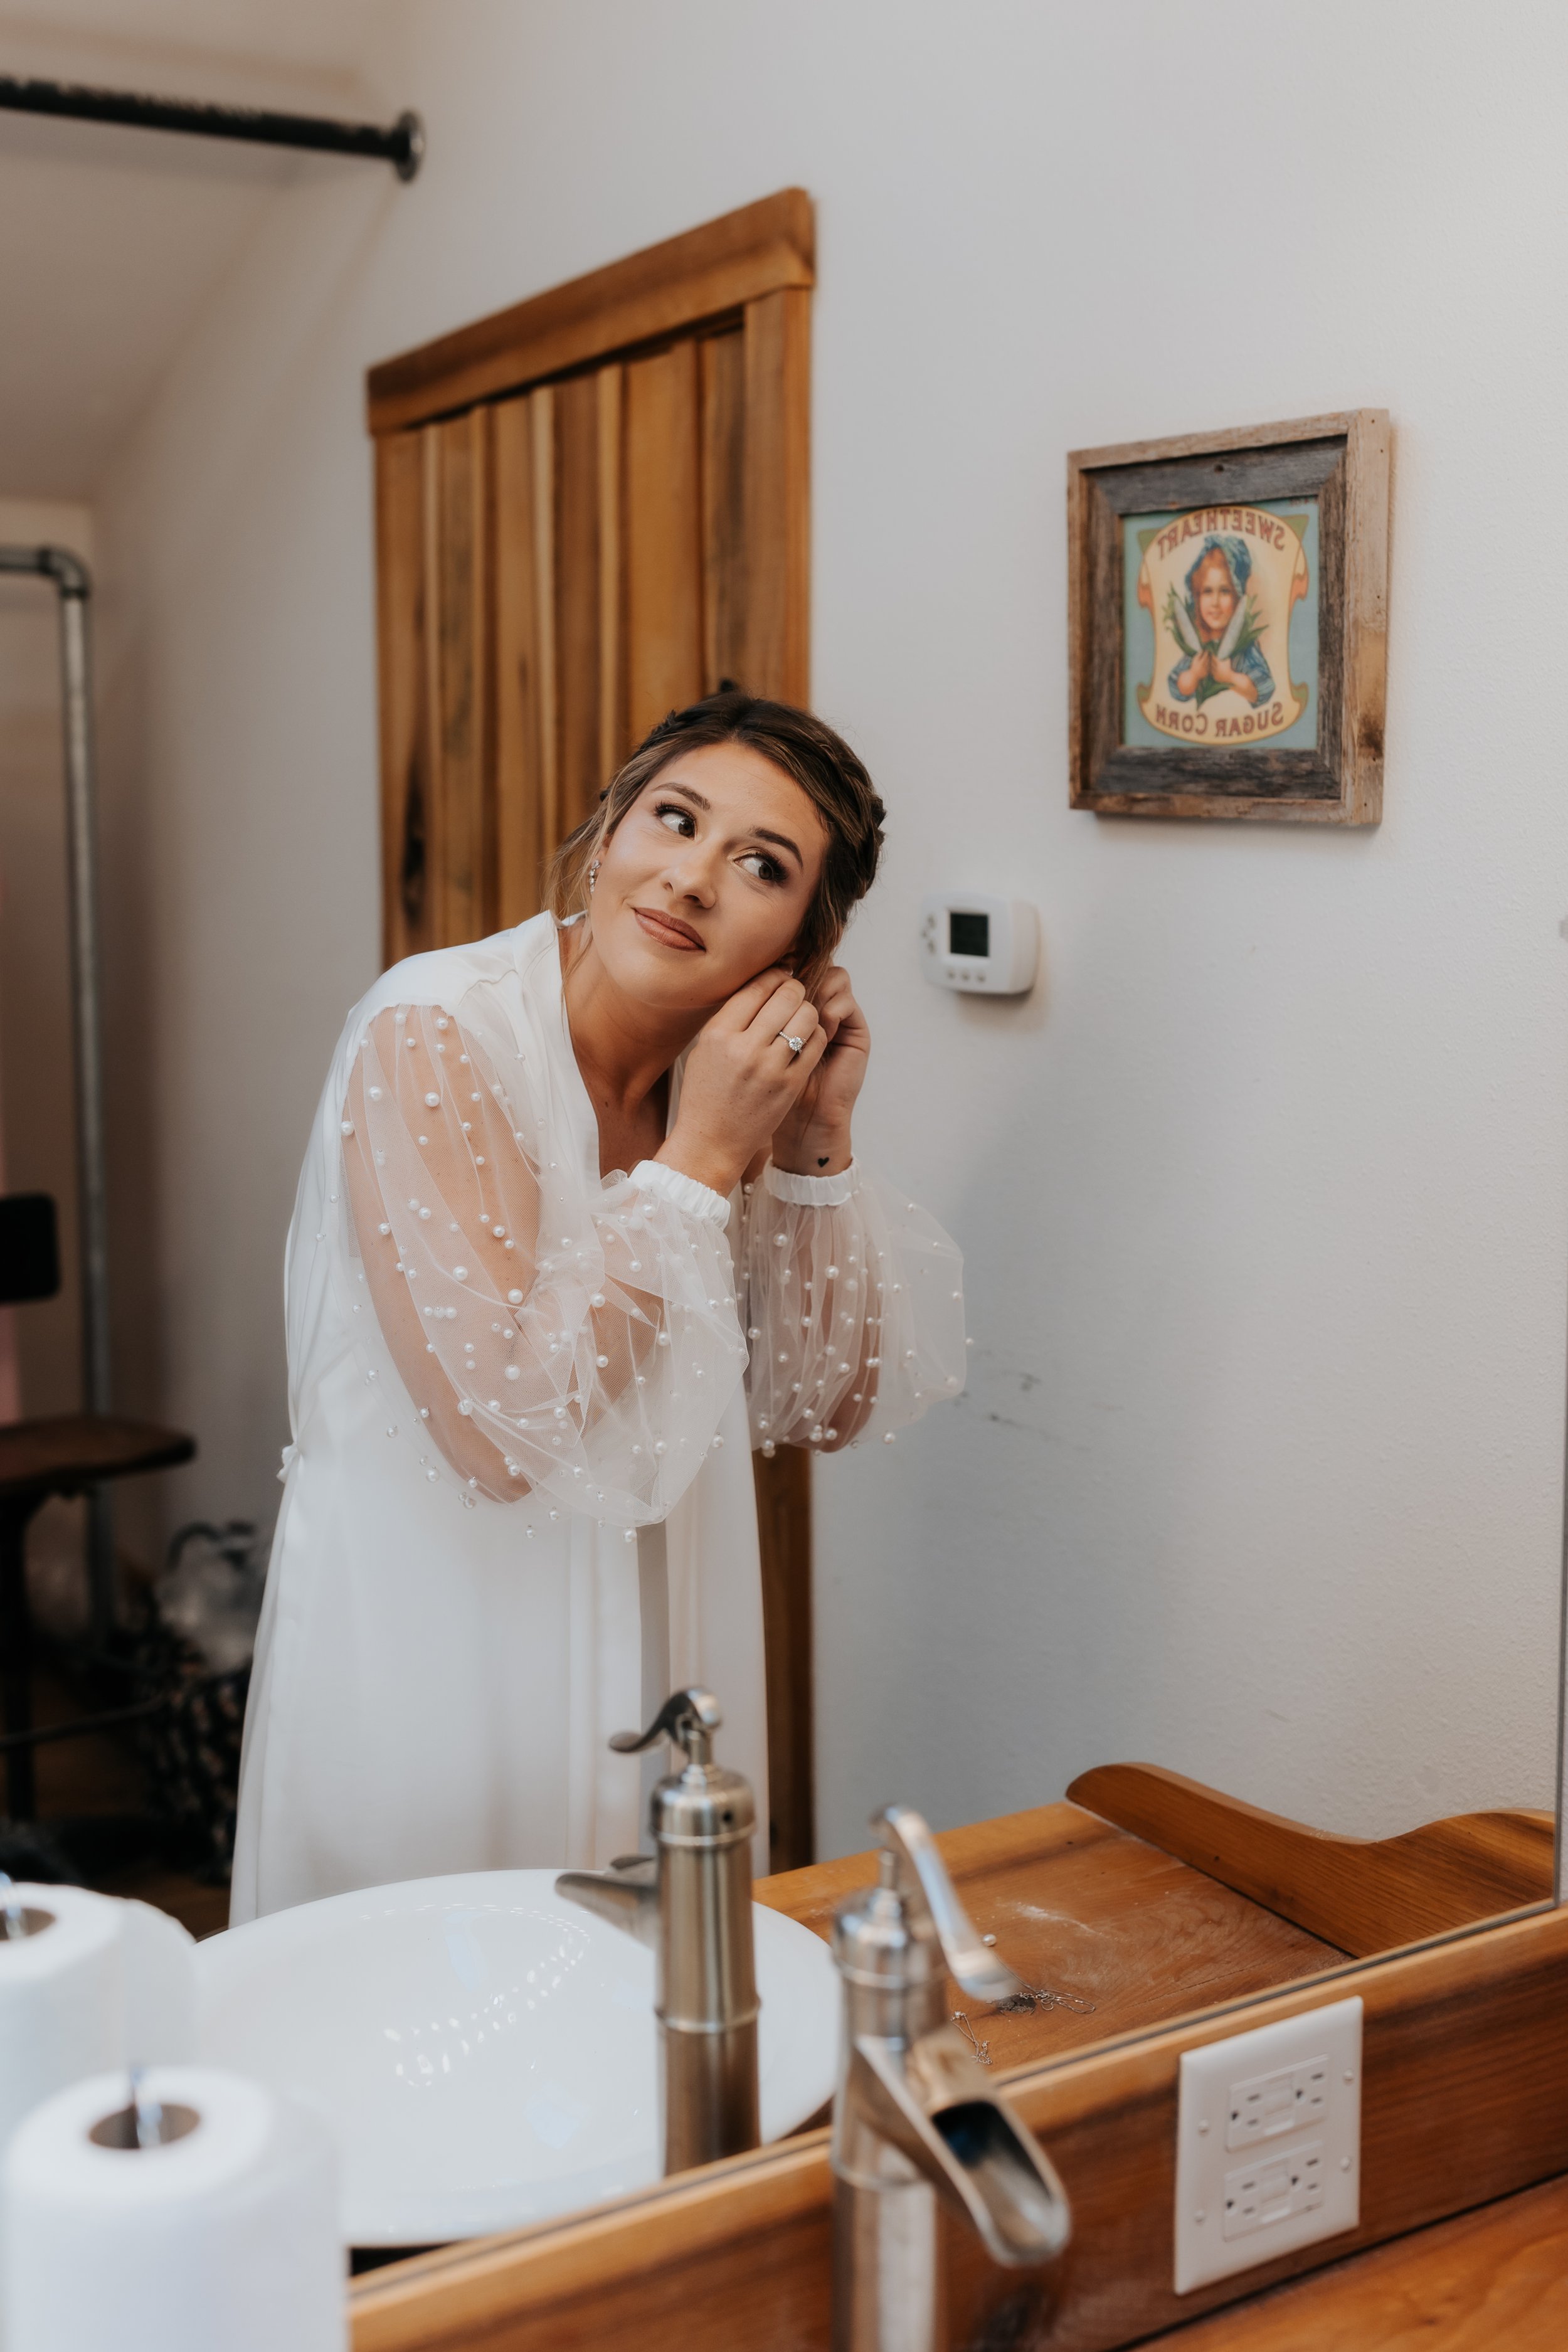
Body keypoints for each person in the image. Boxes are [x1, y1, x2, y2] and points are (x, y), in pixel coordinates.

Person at [231, 692, 966, 1920]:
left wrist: (810, 1137)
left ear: (800, 947)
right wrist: (695, 1168)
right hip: (439, 1655)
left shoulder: (722, 1082)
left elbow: (819, 1399)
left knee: (644, 2044)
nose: (688, 878)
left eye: (759, 866)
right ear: (610, 823)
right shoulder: (433, 1034)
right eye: (673, 820)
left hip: (668, 1645)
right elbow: (503, 1436)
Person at [1168, 536, 1274, 708]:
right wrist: (1194, 675)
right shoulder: (1199, 647)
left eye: (1225, 591)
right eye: (1207, 592)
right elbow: (1175, 685)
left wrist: (1230, 678)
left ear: (1238, 599)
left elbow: (1265, 688)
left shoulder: (1245, 649)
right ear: (1197, 596)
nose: (1215, 602)